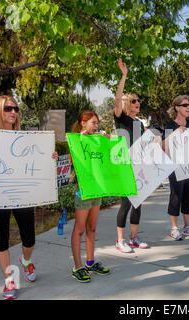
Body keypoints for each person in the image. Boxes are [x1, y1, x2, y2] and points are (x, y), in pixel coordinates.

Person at [0, 95, 58, 300]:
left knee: (30, 239)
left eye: (15, 108)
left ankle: (25, 261)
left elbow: (39, 160)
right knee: (2, 238)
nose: (13, 112)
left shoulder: (25, 138)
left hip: (23, 195)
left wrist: (49, 157)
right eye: (8, 108)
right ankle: (9, 279)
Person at [113, 58, 149, 253]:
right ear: (128, 104)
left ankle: (134, 238)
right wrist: (124, 76)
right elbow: (117, 100)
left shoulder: (140, 124)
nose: (138, 103)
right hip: (125, 165)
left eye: (138, 101)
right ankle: (120, 241)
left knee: (138, 203)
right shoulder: (121, 118)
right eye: (134, 101)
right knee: (126, 203)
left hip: (139, 166)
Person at [69, 111, 110, 283]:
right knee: (79, 228)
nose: (96, 126)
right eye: (93, 123)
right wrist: (82, 140)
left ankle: (90, 262)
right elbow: (74, 162)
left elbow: (106, 161)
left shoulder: (97, 140)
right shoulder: (76, 140)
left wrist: (108, 143)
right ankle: (77, 267)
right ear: (83, 123)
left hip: (96, 188)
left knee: (91, 228)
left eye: (97, 123)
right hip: (83, 189)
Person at [162, 95, 189, 240]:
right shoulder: (170, 126)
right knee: (176, 195)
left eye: (188, 105)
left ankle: (188, 227)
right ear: (177, 108)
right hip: (175, 167)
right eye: (185, 105)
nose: (188, 107)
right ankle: (174, 228)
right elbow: (163, 146)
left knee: (188, 195)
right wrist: (175, 133)